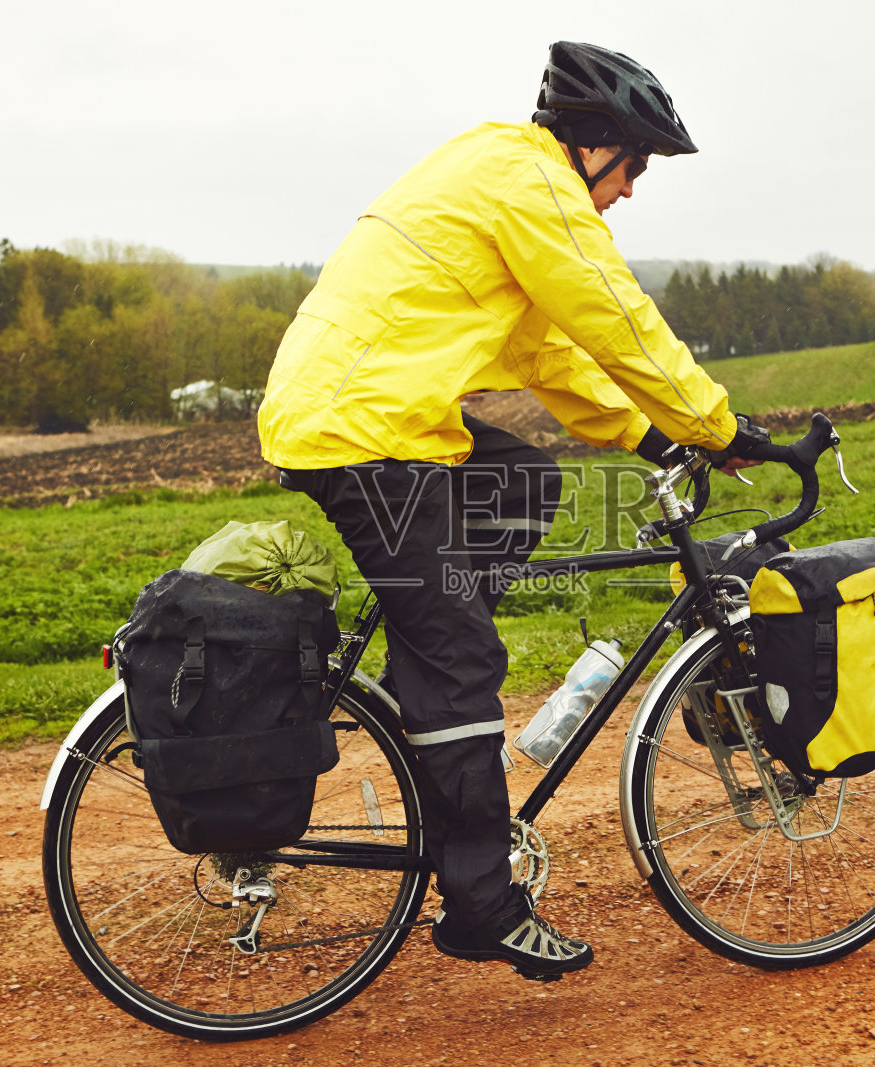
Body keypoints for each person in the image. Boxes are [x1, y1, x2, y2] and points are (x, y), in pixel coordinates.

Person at [258, 40, 771, 978]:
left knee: (529, 483)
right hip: (366, 428)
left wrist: (653, 441)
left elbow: (548, 355)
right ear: (597, 143)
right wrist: (715, 424)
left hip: (369, 411)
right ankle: (483, 903)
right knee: (460, 658)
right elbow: (618, 319)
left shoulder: (506, 169)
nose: (633, 188)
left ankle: (434, 678)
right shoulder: (537, 191)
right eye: (637, 164)